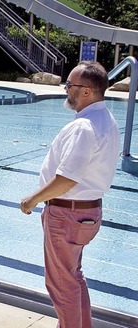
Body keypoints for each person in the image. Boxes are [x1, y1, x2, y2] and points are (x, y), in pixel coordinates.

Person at [20, 61, 120, 328]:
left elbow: (67, 179)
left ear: (86, 91)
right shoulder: (107, 119)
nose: (66, 89)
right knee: (73, 278)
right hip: (87, 212)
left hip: (67, 213)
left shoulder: (83, 127)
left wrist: (33, 199)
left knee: (61, 284)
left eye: (70, 85)